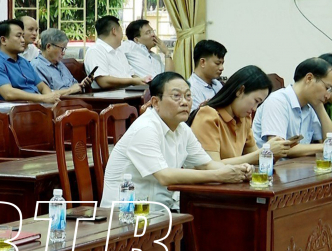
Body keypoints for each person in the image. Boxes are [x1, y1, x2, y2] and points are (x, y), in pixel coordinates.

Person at [100, 72, 252, 212]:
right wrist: (218, 175)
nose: (185, 102)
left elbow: (206, 164)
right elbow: (165, 176)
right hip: (124, 214)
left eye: (188, 96)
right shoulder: (145, 128)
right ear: (155, 102)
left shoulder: (182, 129)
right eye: (176, 96)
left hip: (160, 211)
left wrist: (238, 171)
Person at [189, 65, 295, 164]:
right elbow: (212, 166)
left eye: (259, 104)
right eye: (255, 101)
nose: (254, 109)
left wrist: (276, 151)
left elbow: (256, 158)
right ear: (240, 91)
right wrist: (264, 152)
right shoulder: (208, 115)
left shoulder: (244, 119)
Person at [252, 58, 332, 156]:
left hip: (297, 166)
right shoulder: (277, 101)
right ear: (309, 78)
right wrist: (325, 147)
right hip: (271, 167)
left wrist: (320, 107)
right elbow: (279, 149)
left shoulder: (310, 106)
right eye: (327, 88)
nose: (328, 95)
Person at [0, 19, 60, 103]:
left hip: (37, 105)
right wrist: (42, 98)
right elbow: (8, 93)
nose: (23, 40)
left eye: (23, 36)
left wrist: (51, 98)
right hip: (16, 108)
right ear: (3, 40)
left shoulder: (24, 62)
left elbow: (42, 87)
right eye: (18, 36)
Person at [83, 15, 146, 90]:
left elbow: (131, 75)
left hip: (130, 92)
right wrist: (133, 81)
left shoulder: (118, 51)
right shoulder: (95, 51)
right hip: (111, 96)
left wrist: (142, 81)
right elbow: (103, 81)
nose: (122, 35)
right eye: (121, 31)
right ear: (114, 31)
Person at [31, 28, 91, 95]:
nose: (63, 53)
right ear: (48, 47)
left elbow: (74, 85)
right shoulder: (37, 66)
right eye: (62, 49)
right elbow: (46, 95)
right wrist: (70, 90)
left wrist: (81, 85)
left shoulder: (59, 63)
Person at [189, 40, 227, 107]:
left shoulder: (217, 84)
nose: (222, 68)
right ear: (203, 62)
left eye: (222, 63)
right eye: (217, 63)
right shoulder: (191, 89)